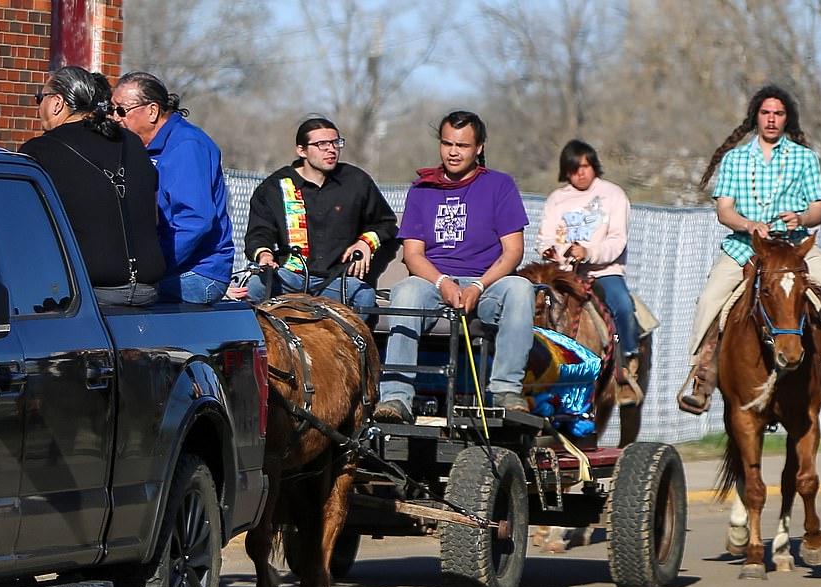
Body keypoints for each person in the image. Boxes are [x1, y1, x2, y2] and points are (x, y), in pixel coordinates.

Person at [677, 84, 821, 417]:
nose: (771, 120)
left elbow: (818, 211)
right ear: (756, 116)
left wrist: (800, 217)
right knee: (710, 300)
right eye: (766, 113)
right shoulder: (735, 159)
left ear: (787, 119)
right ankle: (700, 378)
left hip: (796, 248)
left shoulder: (804, 158)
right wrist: (749, 224)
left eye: (778, 114)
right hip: (747, 248)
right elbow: (724, 209)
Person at [373, 110, 535, 423]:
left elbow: (513, 252)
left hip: (487, 284)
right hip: (434, 281)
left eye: (462, 145)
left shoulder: (500, 186)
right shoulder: (422, 189)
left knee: (520, 288)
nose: (453, 151)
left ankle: (505, 389)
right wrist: (443, 283)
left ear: (479, 148)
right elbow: (413, 254)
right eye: (447, 143)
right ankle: (395, 397)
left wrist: (478, 286)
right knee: (405, 291)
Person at [20, 66, 164, 305]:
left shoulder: (40, 151)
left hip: (88, 292)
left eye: (39, 98)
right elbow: (155, 216)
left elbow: (26, 231)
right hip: (149, 289)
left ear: (57, 102)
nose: (38, 107)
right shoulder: (133, 142)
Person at [244, 117, 398, 309]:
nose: (331, 149)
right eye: (321, 144)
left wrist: (366, 242)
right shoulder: (275, 187)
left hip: (336, 279)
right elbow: (259, 233)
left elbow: (386, 224)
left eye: (336, 142)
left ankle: (345, 340)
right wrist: (265, 255)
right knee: (253, 290)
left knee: (363, 296)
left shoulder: (356, 181)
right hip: (288, 277)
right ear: (301, 150)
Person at [111, 72, 234, 304]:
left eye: (121, 110)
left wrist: (150, 267)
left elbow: (195, 221)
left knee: (116, 300)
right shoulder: (141, 148)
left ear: (152, 111)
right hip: (168, 265)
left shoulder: (186, 146)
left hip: (198, 272)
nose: (114, 117)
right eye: (111, 109)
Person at [537, 139, 642, 405]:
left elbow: (618, 240)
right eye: (574, 169)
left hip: (604, 272)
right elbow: (544, 238)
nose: (580, 173)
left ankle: (627, 366)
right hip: (562, 273)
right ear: (566, 171)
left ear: (594, 166)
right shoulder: (557, 199)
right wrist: (551, 251)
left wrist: (589, 253)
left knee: (622, 306)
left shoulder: (613, 195)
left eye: (585, 166)